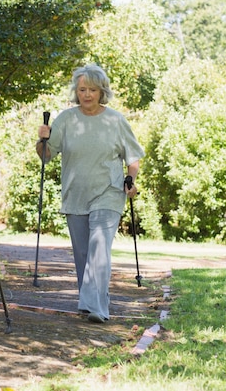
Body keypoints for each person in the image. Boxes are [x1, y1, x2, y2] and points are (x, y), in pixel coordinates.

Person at [36, 64, 145, 323]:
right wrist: (41, 140)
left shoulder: (116, 120)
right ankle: (90, 303)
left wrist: (130, 178)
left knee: (99, 248)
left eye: (92, 90)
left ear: (101, 91)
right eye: (82, 89)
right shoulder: (66, 119)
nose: (86, 94)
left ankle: (97, 309)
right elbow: (47, 156)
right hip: (75, 194)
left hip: (108, 192)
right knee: (84, 254)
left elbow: (133, 157)